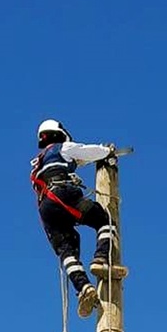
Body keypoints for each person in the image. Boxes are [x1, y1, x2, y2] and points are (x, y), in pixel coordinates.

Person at [30, 119, 117, 318]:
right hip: (62, 193)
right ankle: (101, 258)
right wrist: (107, 151)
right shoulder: (63, 148)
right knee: (103, 220)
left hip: (46, 208)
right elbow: (87, 151)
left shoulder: (39, 162)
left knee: (67, 249)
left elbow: (79, 161)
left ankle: (84, 287)